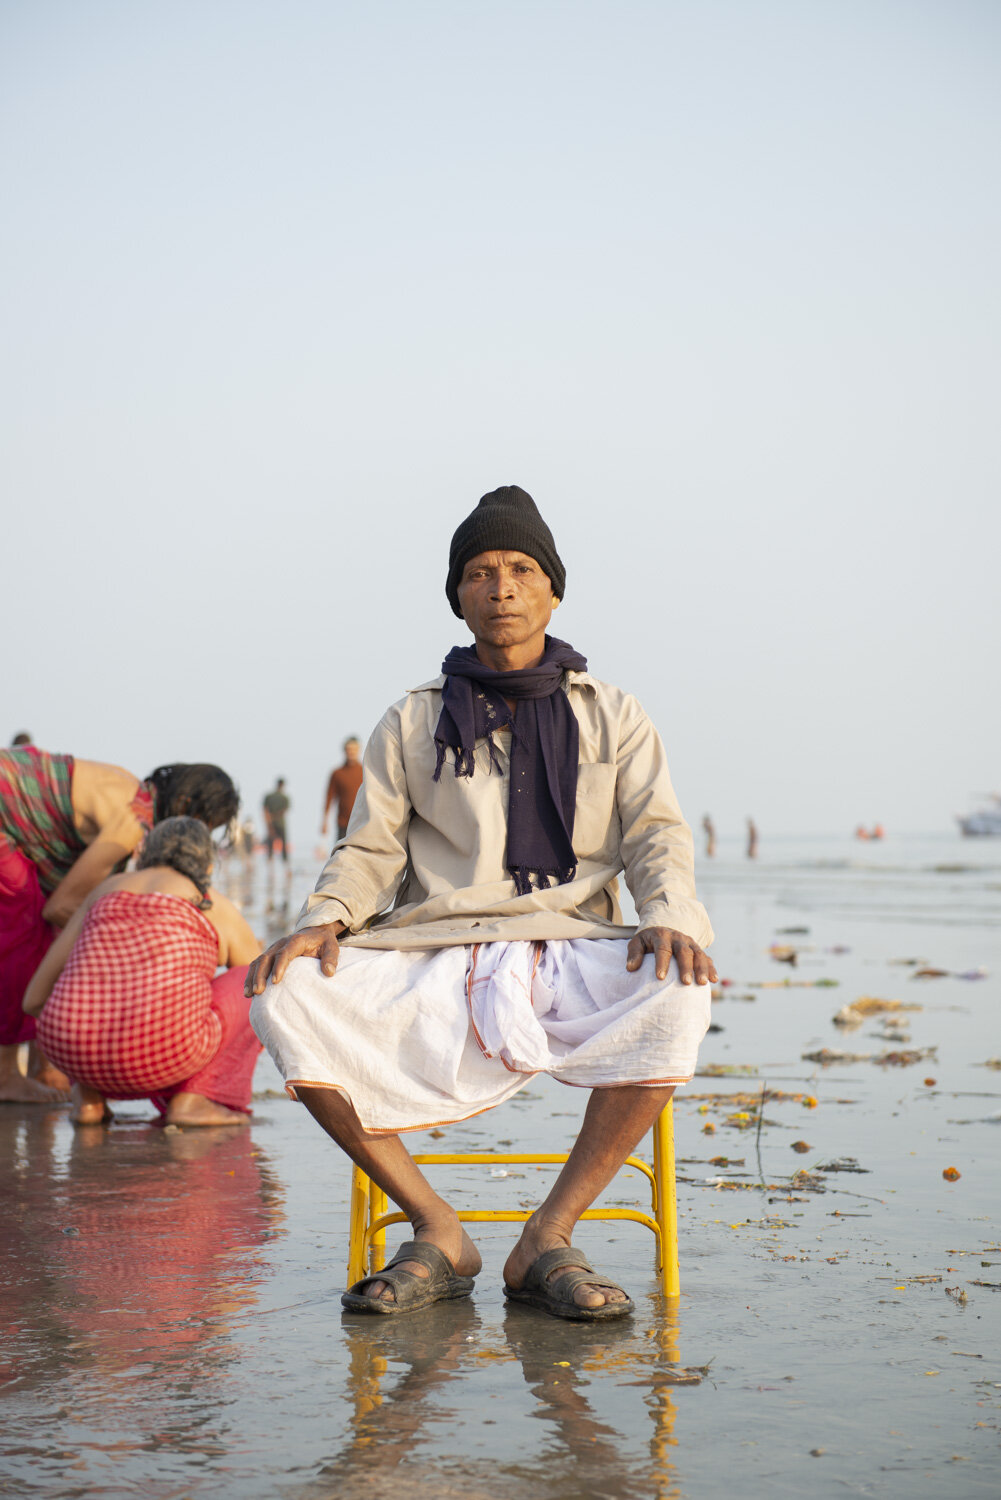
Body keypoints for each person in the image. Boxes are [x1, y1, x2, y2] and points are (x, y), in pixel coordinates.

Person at [249, 485, 716, 1322]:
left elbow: (655, 834)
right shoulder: (413, 718)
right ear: (458, 596)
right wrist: (323, 918)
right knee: (284, 997)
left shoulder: (611, 713)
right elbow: (370, 848)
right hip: (434, 939)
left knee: (679, 990)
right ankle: (437, 1228)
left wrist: (668, 915)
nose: (500, 586)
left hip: (571, 932)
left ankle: (549, 1234)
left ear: (552, 590)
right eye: (479, 571)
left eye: (520, 569)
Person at [0, 750, 239, 1103]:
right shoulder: (132, 821)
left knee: (40, 931)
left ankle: (44, 1067)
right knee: (22, 929)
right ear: (188, 805)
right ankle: (6, 1077)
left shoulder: (138, 796)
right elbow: (62, 905)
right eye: (205, 825)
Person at [24, 818, 262, 1126]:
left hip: (69, 1048)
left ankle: (88, 1100)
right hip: (166, 1055)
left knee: (91, 991)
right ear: (207, 864)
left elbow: (33, 1000)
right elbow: (261, 982)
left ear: (146, 854)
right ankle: (194, 1099)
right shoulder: (210, 903)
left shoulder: (105, 891)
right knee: (248, 980)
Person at [321, 739, 364, 843]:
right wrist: (325, 821)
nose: (351, 752)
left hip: (362, 821)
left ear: (359, 750)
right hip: (343, 822)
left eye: (354, 749)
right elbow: (329, 797)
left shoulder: (365, 771)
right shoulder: (337, 773)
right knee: (341, 854)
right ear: (344, 751)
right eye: (349, 749)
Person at [263, 779, 290, 863]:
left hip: (271, 823)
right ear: (282, 785)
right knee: (284, 846)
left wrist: (269, 822)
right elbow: (284, 811)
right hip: (281, 824)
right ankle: (286, 866)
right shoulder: (284, 797)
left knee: (270, 846)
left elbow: (265, 811)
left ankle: (270, 868)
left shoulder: (269, 797)